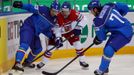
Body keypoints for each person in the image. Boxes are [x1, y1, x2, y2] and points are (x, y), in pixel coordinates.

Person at [10, 0, 61, 73]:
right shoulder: (43, 9)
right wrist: (21, 5)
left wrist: (54, 38)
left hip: (35, 33)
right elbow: (31, 7)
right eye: (53, 10)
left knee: (38, 49)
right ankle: (17, 63)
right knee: (25, 44)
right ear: (50, 8)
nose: (54, 13)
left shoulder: (54, 20)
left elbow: (46, 30)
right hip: (28, 27)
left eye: (56, 11)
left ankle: (27, 62)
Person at [36, 1, 89, 69]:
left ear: (70, 10)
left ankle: (82, 61)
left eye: (66, 11)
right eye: (63, 11)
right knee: (50, 47)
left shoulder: (74, 13)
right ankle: (43, 62)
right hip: (59, 32)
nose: (65, 13)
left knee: (78, 44)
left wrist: (79, 27)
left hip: (70, 31)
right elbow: (56, 28)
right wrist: (58, 38)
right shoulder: (58, 16)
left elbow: (84, 19)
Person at [88, 0, 133, 75]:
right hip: (123, 30)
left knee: (108, 50)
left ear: (95, 9)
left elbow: (102, 37)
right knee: (106, 49)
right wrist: (120, 16)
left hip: (124, 33)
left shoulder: (98, 21)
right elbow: (125, 7)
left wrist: (98, 39)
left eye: (91, 11)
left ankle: (101, 71)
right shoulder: (108, 5)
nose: (91, 13)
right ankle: (105, 69)